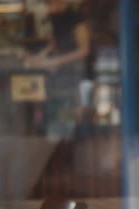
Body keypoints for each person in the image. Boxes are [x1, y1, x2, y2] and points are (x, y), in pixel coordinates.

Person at [26, 0, 91, 138]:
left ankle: (62, 143)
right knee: (56, 113)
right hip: (59, 74)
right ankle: (57, 140)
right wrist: (40, 56)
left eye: (50, 5)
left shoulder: (76, 19)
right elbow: (55, 42)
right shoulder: (56, 19)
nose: (47, 9)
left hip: (72, 73)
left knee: (64, 115)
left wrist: (55, 61)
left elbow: (84, 50)